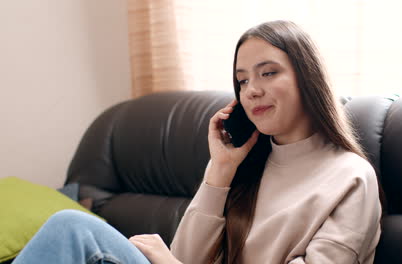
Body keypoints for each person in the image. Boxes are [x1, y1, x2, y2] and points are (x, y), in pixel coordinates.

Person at [12, 20, 382, 264]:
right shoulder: (246, 163)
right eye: (242, 81)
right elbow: (186, 256)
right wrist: (221, 169)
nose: (252, 90)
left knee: (72, 228)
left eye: (268, 73)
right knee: (69, 227)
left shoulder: (350, 178)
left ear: (307, 78)